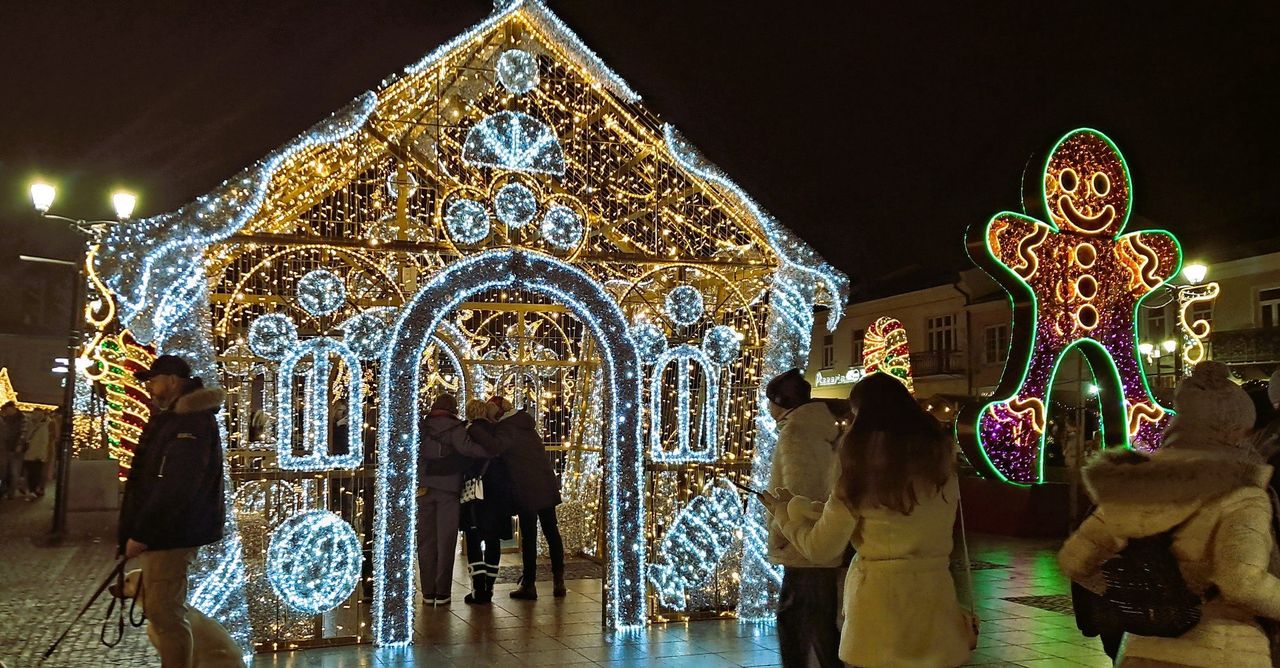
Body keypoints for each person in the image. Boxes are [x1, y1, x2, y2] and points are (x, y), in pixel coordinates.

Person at [1059, 361, 1280, 668]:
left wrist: (1139, 596)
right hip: (1225, 650)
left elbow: (1075, 560)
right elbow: (1242, 583)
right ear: (1234, 431)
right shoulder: (1241, 494)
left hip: (1143, 649)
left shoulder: (1137, 486)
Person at [764, 372, 973, 668]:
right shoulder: (939, 469)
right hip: (935, 604)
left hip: (880, 611)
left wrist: (785, 515)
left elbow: (822, 547)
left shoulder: (858, 473)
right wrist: (801, 507)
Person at [120, 354, 231, 668]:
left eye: (154, 380)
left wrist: (143, 532)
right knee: (162, 611)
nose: (151, 387)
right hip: (166, 532)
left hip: (171, 533)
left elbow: (176, 485)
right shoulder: (177, 417)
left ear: (171, 381)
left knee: (165, 613)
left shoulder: (190, 420)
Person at [763, 369, 843, 668]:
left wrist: (784, 528)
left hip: (804, 543)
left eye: (770, 401)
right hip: (818, 538)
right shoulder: (820, 426)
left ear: (781, 402)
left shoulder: (796, 432)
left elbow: (799, 491)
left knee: (796, 618)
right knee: (819, 617)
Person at [467, 396, 564, 600]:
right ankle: (559, 581)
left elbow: (494, 448)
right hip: (545, 485)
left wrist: (474, 427)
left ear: (498, 409)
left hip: (526, 489)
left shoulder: (507, 428)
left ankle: (529, 584)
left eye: (490, 408)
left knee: (529, 537)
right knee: (551, 531)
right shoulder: (524, 423)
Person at [416, 393, 491, 607]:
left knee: (425, 541)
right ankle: (443, 593)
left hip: (424, 487)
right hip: (449, 488)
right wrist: (492, 449)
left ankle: (427, 592)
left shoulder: (422, 426)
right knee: (446, 540)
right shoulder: (456, 428)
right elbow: (470, 449)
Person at [461, 399, 518, 604]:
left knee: (474, 541)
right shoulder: (498, 432)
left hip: (476, 495)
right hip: (499, 495)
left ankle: (478, 588)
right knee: (494, 541)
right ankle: (490, 586)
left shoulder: (468, 432)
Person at [1, 400, 29, 499]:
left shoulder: (22, 418)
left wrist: (19, 445)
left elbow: (23, 433)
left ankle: (11, 492)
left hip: (16, 449)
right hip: (6, 447)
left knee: (14, 471)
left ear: (12, 409)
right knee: (5, 471)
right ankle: (5, 491)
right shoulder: (6, 418)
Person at [22, 410, 52, 498]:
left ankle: (33, 489)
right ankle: (32, 489)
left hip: (36, 454)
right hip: (30, 452)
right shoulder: (32, 425)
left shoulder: (44, 427)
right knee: (31, 472)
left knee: (34, 473)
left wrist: (41, 455)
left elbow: (44, 442)